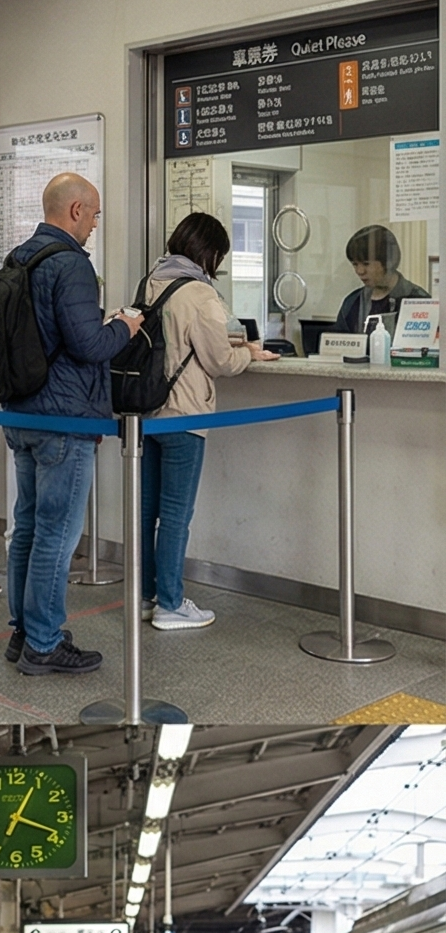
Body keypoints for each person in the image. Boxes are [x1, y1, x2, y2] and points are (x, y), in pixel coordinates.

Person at [0, 173, 144, 678]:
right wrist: (124, 326)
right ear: (76, 210)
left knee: (28, 526)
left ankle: (22, 631)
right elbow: (90, 346)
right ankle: (43, 642)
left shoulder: (19, 257)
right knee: (57, 535)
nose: (96, 225)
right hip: (63, 418)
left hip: (19, 412)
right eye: (96, 214)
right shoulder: (71, 265)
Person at [133, 212, 277, 632]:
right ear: (210, 252)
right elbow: (219, 360)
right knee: (176, 514)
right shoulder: (199, 292)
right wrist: (249, 353)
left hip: (148, 412)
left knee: (147, 512)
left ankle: (147, 596)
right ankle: (172, 604)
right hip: (185, 413)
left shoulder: (152, 281)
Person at [335, 224, 431, 340]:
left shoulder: (418, 301)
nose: (360, 271)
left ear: (388, 261)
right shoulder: (352, 303)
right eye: (355, 264)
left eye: (366, 264)